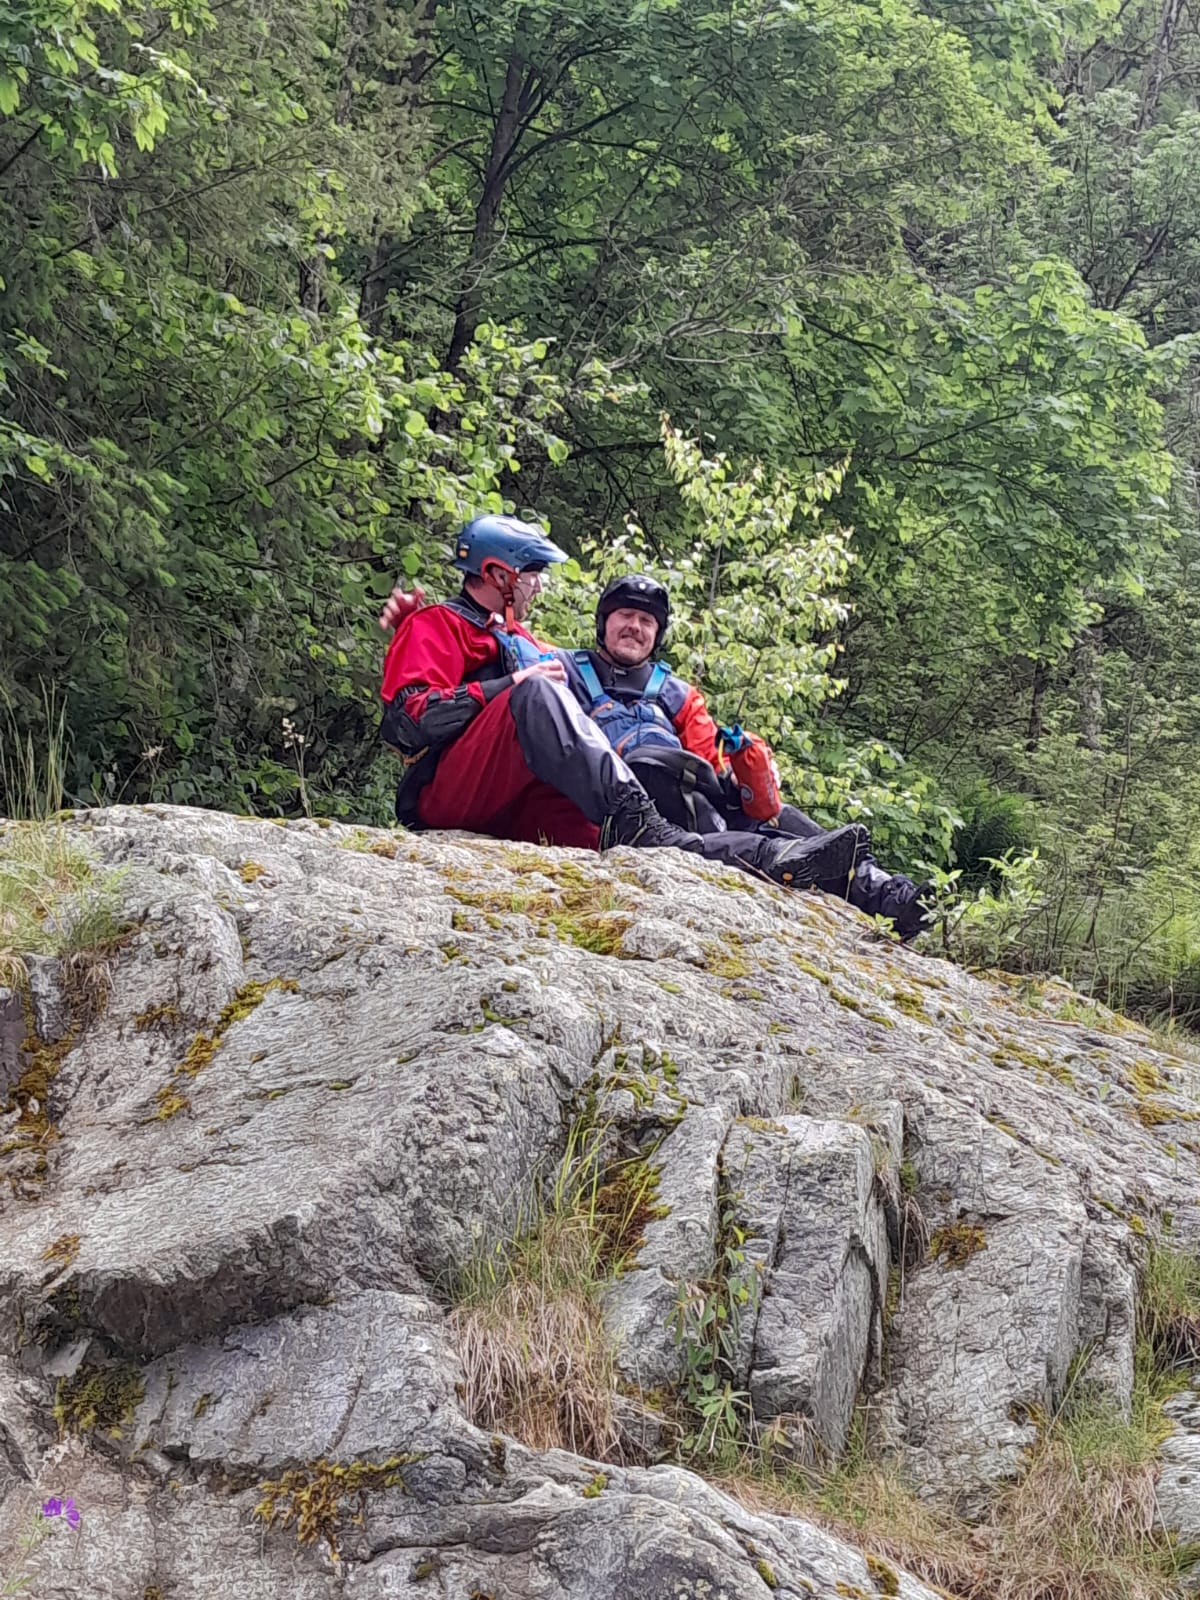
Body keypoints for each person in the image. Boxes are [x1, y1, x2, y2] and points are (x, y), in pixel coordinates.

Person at [380, 555, 931, 939]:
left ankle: (887, 893)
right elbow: (498, 654)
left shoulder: (679, 696)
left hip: (676, 792)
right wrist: (421, 627)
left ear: (657, 635)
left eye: (646, 621)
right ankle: (760, 857)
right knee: (547, 701)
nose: (635, 627)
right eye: (625, 616)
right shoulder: (560, 664)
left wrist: (749, 779)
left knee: (776, 816)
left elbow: (710, 767)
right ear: (603, 624)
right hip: (610, 801)